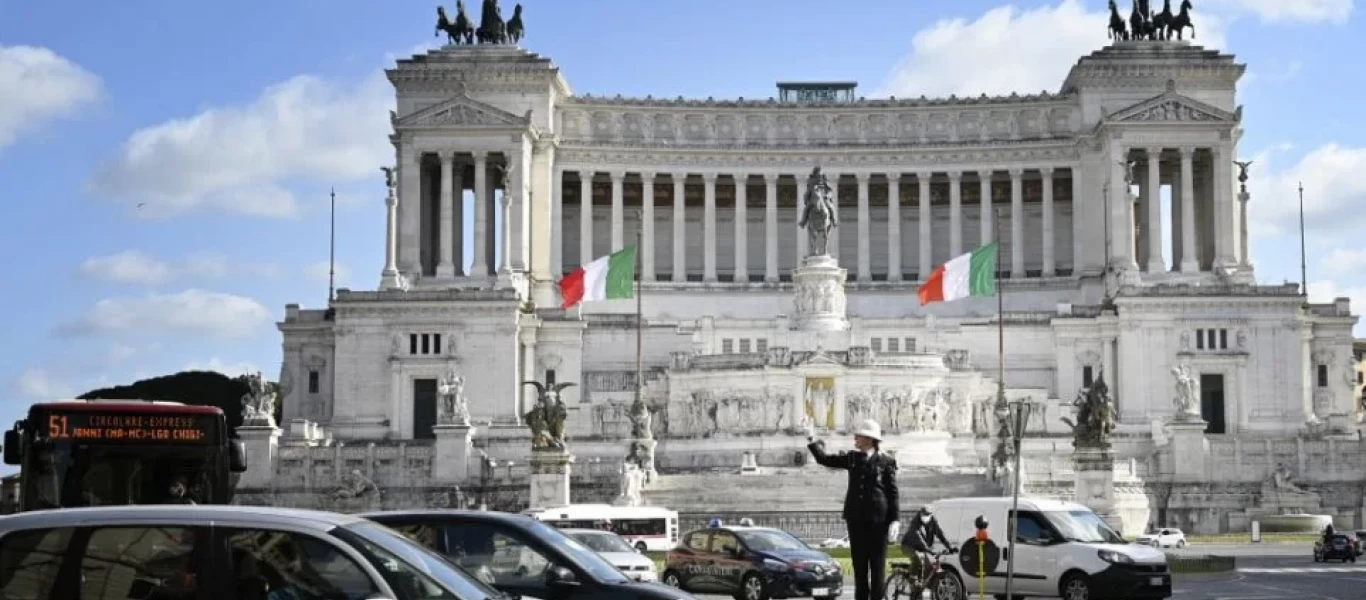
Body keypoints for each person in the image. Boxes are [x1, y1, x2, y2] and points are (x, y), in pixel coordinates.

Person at [807, 419, 899, 600]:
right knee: (860, 568)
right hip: (856, 519)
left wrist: (894, 519)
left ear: (870, 439)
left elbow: (892, 493)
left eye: (859, 436)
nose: (855, 438)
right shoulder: (852, 458)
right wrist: (811, 438)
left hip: (879, 521)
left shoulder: (886, 461)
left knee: (878, 569)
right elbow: (824, 459)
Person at [901, 507, 957, 583]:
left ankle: (922, 585)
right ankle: (912, 578)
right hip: (908, 546)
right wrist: (928, 550)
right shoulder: (915, 523)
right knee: (917, 559)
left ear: (931, 515)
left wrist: (950, 548)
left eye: (927, 515)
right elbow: (919, 537)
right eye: (923, 515)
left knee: (929, 567)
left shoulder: (933, 522)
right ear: (920, 514)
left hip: (922, 548)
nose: (925, 517)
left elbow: (941, 535)